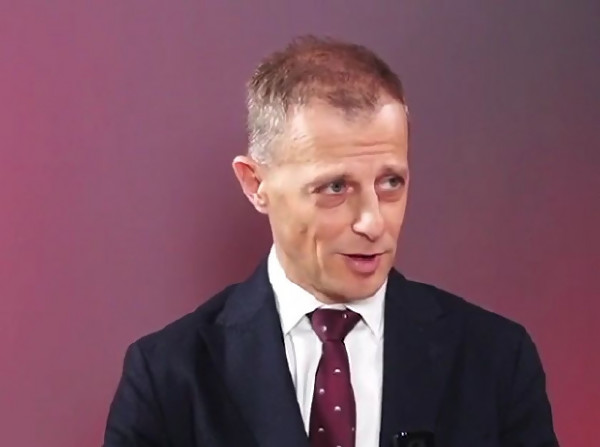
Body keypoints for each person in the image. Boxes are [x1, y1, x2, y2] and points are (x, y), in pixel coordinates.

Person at [103, 36, 559, 447]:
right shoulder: (168, 377)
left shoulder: (496, 360)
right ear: (255, 184)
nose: (373, 222)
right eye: (336, 187)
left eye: (391, 182)